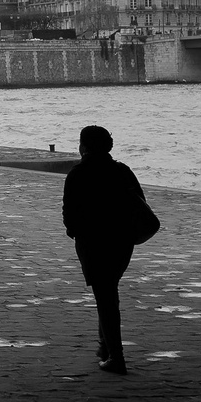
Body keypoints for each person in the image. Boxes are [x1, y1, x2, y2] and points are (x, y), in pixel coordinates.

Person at [62, 125, 147, 375]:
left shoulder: (78, 173)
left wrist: (73, 231)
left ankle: (116, 356)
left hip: (92, 241)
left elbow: (70, 212)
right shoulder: (122, 171)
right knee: (108, 290)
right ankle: (105, 348)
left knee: (106, 296)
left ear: (83, 146)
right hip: (121, 240)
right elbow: (140, 203)